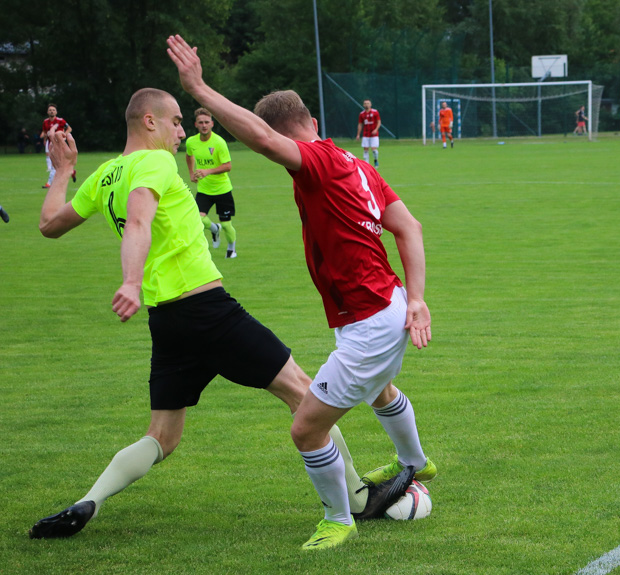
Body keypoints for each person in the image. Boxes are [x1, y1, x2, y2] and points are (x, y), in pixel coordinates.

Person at [28, 88, 408, 541]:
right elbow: (140, 221)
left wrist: (66, 171)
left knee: (162, 436)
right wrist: (130, 280)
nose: (183, 133)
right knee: (306, 397)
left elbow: (50, 224)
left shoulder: (105, 175)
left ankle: (89, 500)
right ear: (149, 122)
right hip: (208, 312)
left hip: (166, 322)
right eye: (175, 123)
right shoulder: (154, 162)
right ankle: (359, 498)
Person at [169, 34, 437, 551]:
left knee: (306, 430)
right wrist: (419, 298)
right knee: (379, 389)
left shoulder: (315, 161)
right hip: (393, 305)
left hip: (371, 320)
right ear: (313, 119)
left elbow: (269, 143)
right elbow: (412, 227)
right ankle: (415, 462)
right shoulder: (358, 165)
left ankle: (339, 518)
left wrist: (200, 87)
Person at [185, 108, 238, 258]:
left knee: (227, 225)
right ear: (196, 124)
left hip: (223, 190)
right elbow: (189, 156)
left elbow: (228, 166)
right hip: (204, 190)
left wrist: (207, 171)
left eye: (206, 122)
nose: (204, 125)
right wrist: (191, 172)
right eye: (201, 122)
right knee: (199, 219)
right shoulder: (191, 142)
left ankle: (231, 248)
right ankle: (215, 229)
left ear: (212, 124)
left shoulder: (219, 143)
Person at [39, 103, 75, 188]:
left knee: (54, 164)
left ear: (56, 112)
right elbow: (44, 132)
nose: (52, 111)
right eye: (50, 110)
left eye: (53, 110)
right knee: (57, 163)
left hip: (59, 143)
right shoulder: (45, 122)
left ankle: (49, 183)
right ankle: (72, 171)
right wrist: (44, 140)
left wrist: (64, 135)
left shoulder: (60, 121)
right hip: (50, 143)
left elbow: (69, 128)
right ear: (47, 112)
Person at [355, 99, 381, 167]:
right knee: (365, 149)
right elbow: (360, 124)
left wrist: (376, 129)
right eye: (365, 103)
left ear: (370, 104)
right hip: (366, 134)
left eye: (368, 103)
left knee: (373, 149)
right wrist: (358, 134)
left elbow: (379, 122)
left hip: (374, 134)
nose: (366, 105)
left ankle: (375, 160)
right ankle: (367, 165)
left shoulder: (375, 112)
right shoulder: (362, 114)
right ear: (363, 105)